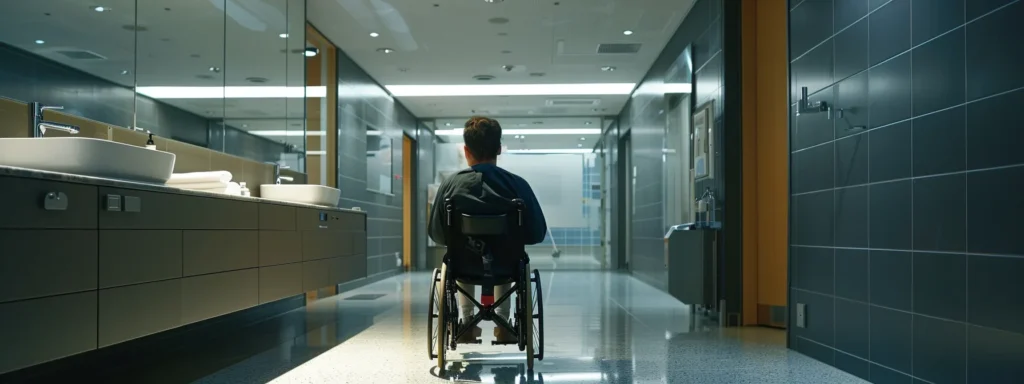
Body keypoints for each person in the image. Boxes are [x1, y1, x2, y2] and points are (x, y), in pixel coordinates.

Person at [428, 116, 547, 343]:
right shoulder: (518, 185)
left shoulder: (450, 185)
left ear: (466, 150)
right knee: (507, 252)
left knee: (458, 252)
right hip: (507, 266)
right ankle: (504, 326)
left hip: (463, 265)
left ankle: (465, 324)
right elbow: (537, 233)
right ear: (499, 149)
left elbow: (437, 233)